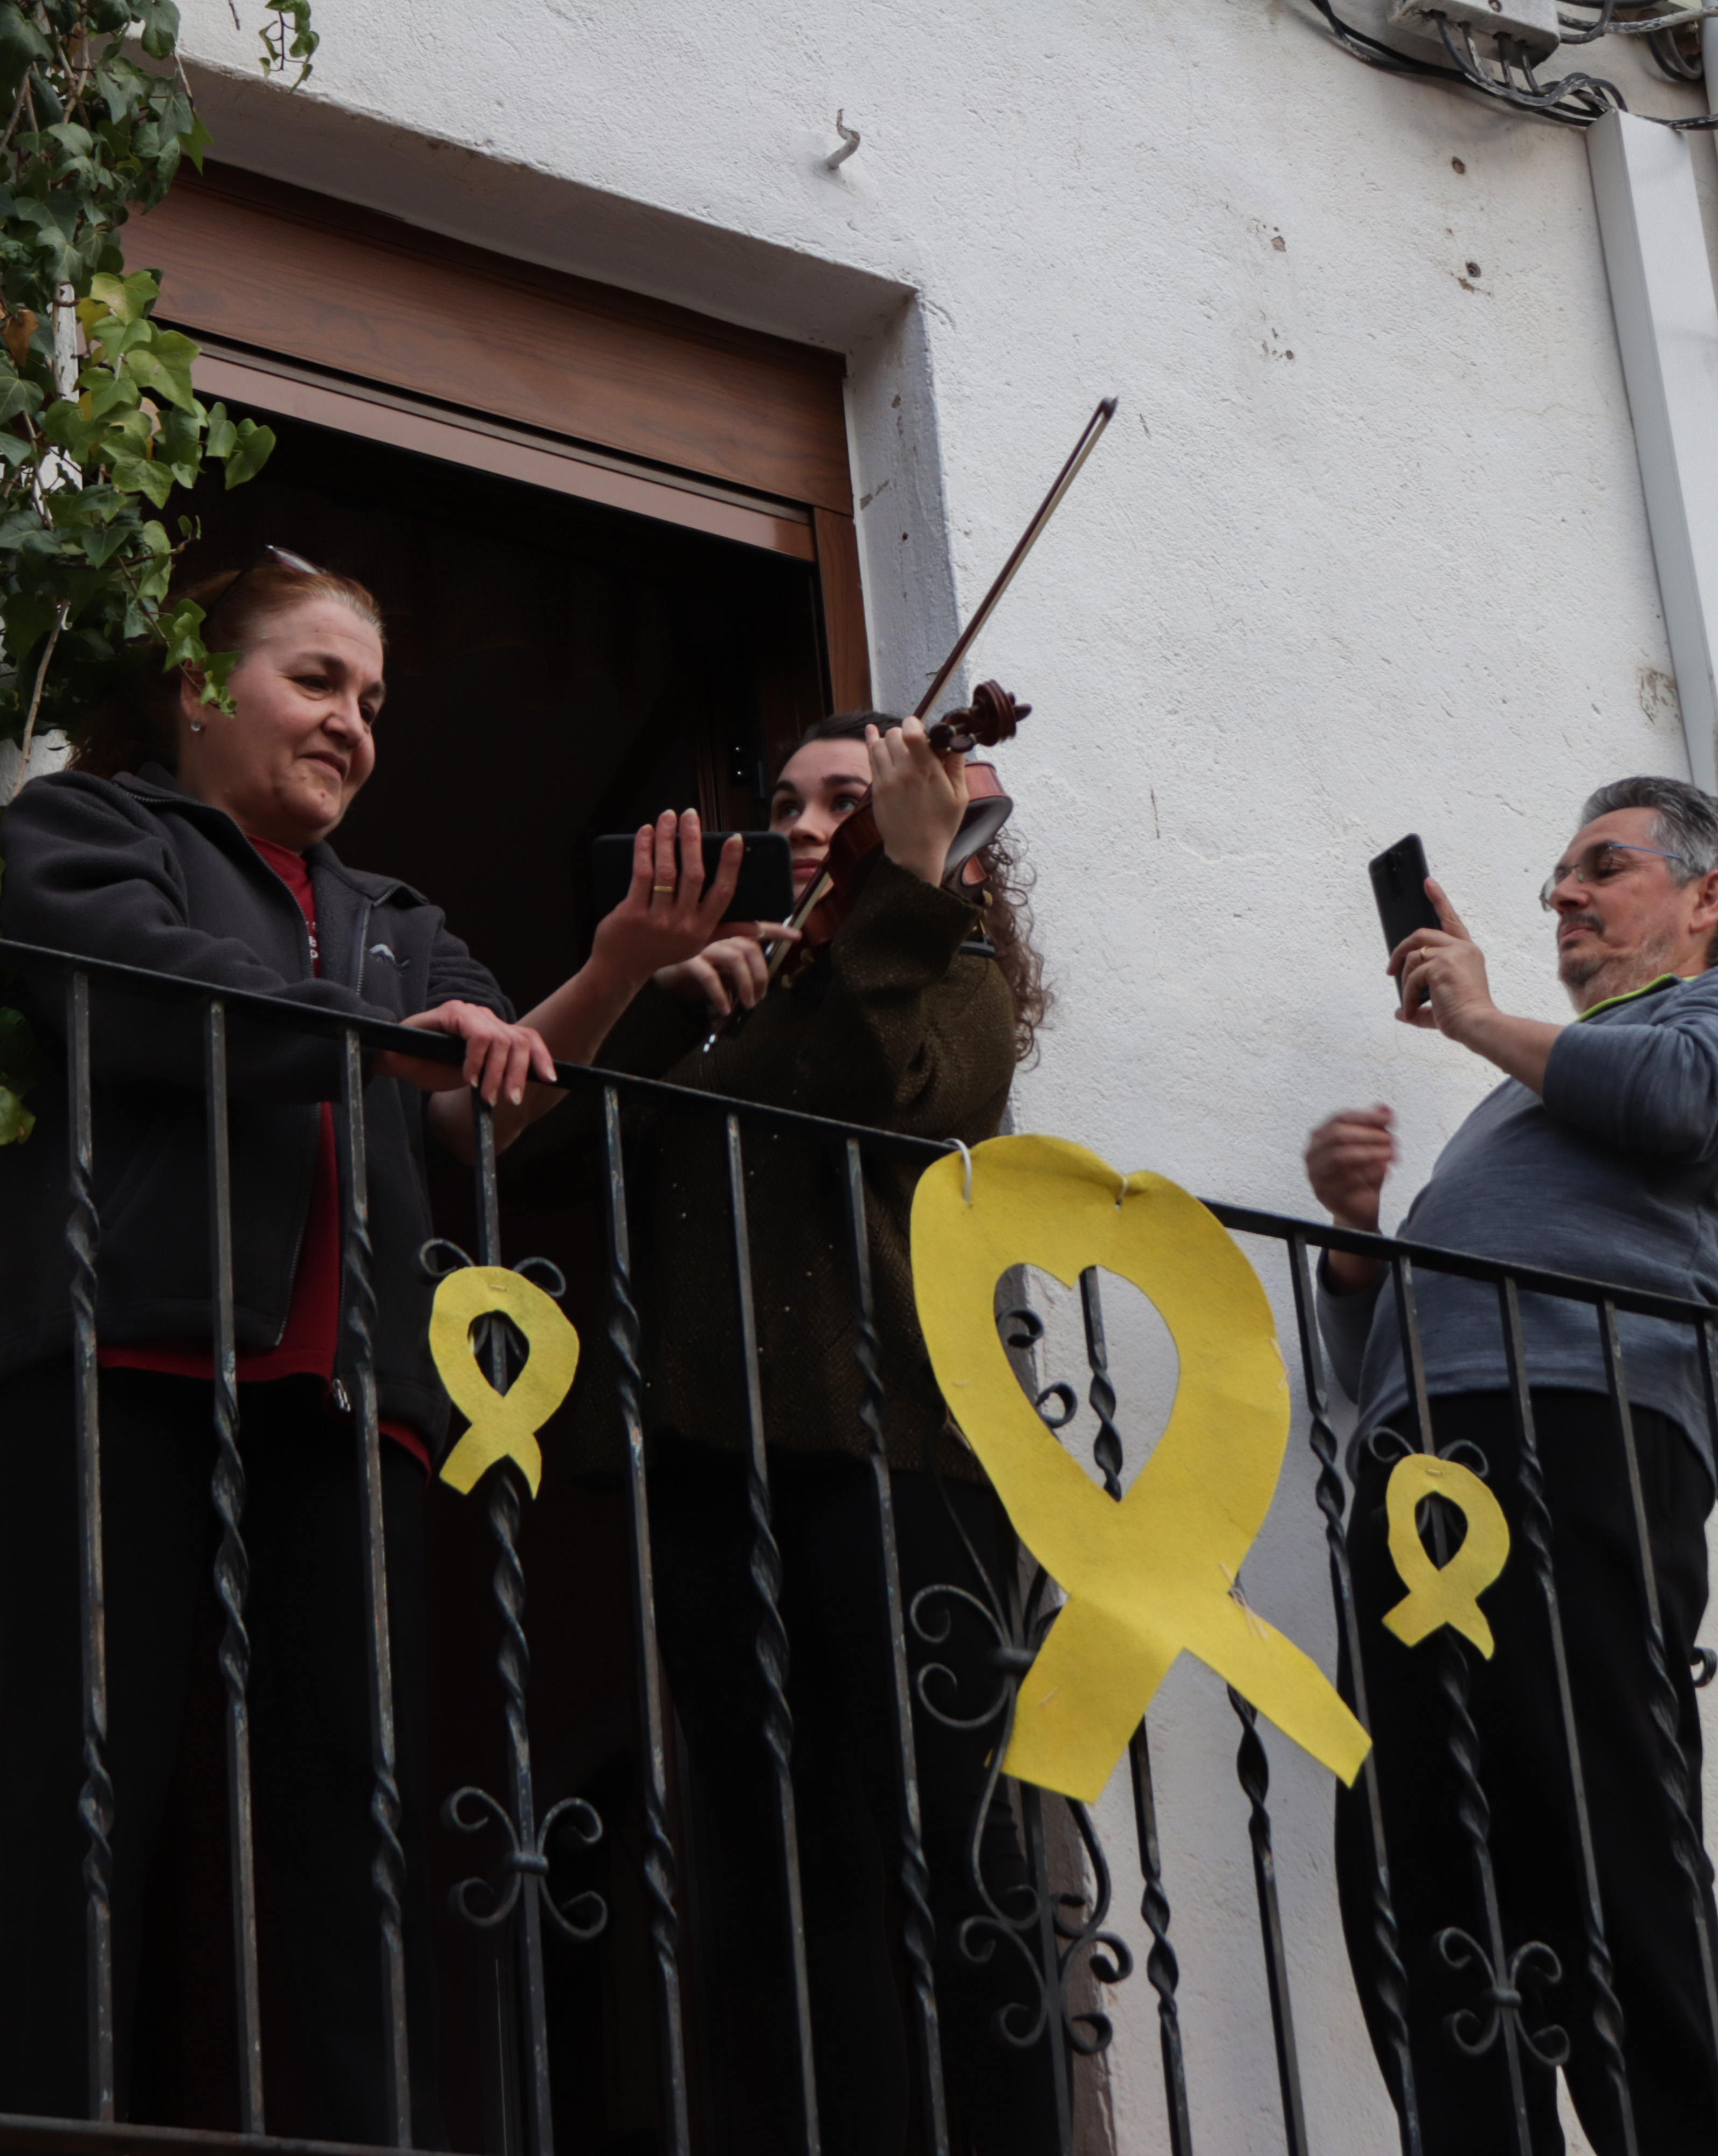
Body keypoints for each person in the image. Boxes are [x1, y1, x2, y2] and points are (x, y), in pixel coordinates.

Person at [0, 547, 749, 2143]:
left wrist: (612, 970)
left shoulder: (397, 915)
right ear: (199, 688)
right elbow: (144, 996)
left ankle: (375, 2135)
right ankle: (33, 2127)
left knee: (355, 1807)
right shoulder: (87, 828)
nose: (354, 726)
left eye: (372, 700)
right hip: (128, 1358)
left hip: (348, 1397)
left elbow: (485, 1105)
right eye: (319, 681)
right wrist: (384, 1037)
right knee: (87, 1786)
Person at [529, 706, 1056, 2153]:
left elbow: (883, 1098)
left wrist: (909, 893)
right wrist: (661, 999)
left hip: (902, 1464)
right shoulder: (738, 996)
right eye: (797, 802)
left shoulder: (951, 974)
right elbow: (552, 1148)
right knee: (761, 1855)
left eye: (853, 802)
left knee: (944, 1840)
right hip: (715, 1464)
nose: (812, 826)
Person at [1302, 776, 1718, 2156]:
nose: (1562, 895)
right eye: (1558, 876)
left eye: (1601, 866)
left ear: (1707, 895)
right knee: (1414, 1848)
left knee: (1594, 1823)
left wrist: (1476, 1018)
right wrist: (1360, 1241)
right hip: (1429, 1466)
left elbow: (1671, 1100)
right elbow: (1372, 1366)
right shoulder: (1534, 1095)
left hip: (1581, 1433)